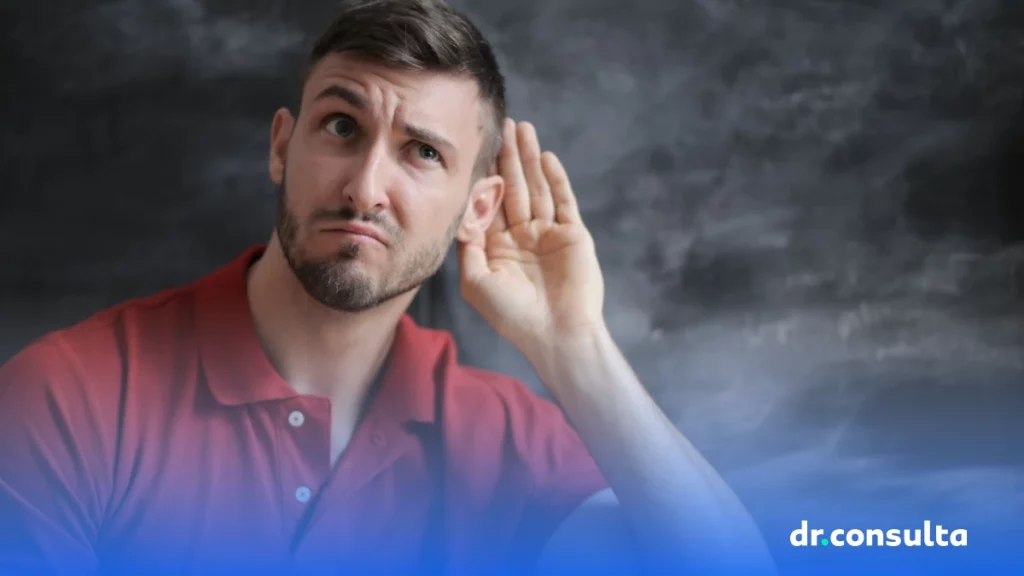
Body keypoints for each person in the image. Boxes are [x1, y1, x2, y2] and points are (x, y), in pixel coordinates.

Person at [0, 1, 776, 574]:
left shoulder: (505, 440)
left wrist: (573, 345)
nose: (366, 186)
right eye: (342, 127)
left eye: (423, 153)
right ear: (282, 146)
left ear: (477, 209)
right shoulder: (67, 397)